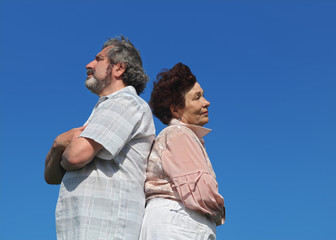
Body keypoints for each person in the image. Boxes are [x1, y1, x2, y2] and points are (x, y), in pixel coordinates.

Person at [44, 36, 155, 240]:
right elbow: (51, 177)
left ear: (119, 69)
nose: (89, 64)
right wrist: (58, 142)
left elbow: (74, 157)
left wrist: (63, 145)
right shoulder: (106, 108)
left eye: (99, 59)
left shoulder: (125, 102)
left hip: (106, 227)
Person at [140, 63, 225, 240]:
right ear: (176, 109)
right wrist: (220, 210)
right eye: (197, 98)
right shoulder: (180, 134)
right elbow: (202, 193)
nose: (206, 102)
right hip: (179, 222)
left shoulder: (179, 135)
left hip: (174, 221)